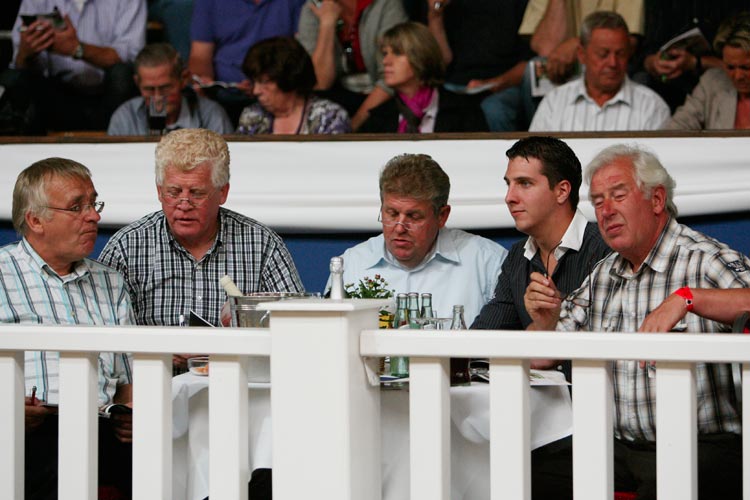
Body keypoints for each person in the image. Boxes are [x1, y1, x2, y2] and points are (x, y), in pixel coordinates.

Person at [525, 144, 750, 500]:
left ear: (657, 199)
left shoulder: (704, 260)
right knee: (526, 475)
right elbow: (541, 357)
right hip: (619, 447)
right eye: (598, 202)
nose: (606, 211)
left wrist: (687, 298)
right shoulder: (603, 274)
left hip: (703, 445)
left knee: (668, 487)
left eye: (618, 196)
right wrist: (544, 322)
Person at [0, 157, 134, 498]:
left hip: (102, 428)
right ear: (35, 220)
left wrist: (134, 413)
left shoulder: (111, 283)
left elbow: (129, 380)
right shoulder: (2, 273)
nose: (94, 216)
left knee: (171, 457)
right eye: (77, 207)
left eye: (93, 204)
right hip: (26, 431)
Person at [98, 128, 304, 343]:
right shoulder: (126, 248)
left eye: (197, 193)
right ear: (159, 191)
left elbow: (298, 327)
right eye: (174, 192)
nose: (184, 204)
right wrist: (163, 349)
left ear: (223, 192)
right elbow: (102, 337)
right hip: (155, 364)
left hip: (237, 363)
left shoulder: (261, 245)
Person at [330, 153, 508, 323]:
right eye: (392, 214)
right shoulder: (351, 265)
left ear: (442, 216)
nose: (399, 228)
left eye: (413, 217)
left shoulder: (487, 263)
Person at [3, 0, 145, 133]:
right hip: (56, 94)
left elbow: (133, 57)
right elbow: (18, 64)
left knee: (122, 74)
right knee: (15, 77)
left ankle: (119, 139)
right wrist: (26, 52)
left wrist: (77, 49)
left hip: (109, 95)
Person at [529, 10, 670, 132]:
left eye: (620, 54)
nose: (613, 63)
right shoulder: (554, 103)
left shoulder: (652, 107)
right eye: (603, 54)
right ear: (582, 55)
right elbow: (534, 154)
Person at [188, 0, 307, 125]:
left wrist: (263, 83)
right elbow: (200, 56)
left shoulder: (294, 2)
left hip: (278, 91)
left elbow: (301, 55)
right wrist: (204, 82)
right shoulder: (208, 3)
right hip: (222, 98)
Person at [296, 0, 408, 130]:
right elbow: (321, 83)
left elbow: (391, 78)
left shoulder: (386, 4)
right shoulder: (314, 7)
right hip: (339, 95)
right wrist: (327, 24)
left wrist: (353, 125)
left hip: (384, 97)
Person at [358, 22, 487, 133]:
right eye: (385, 53)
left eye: (397, 53)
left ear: (421, 55)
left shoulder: (465, 111)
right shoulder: (377, 118)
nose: (386, 61)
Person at [425, 0, 532, 131]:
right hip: (453, 85)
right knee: (436, 108)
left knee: (494, 109)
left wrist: (494, 83)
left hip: (507, 83)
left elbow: (531, 63)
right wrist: (435, 15)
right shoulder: (443, 5)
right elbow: (439, 61)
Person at [108, 43, 233, 136]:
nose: (157, 97)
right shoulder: (125, 117)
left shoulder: (211, 116)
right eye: (149, 89)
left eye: (165, 88)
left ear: (183, 79)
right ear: (137, 83)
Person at [237, 36, 351, 135]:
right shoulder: (252, 116)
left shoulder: (329, 117)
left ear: (288, 79)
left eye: (264, 82)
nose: (256, 91)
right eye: (254, 82)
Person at [664, 12, 750, 130]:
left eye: (746, 67)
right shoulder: (711, 83)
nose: (738, 76)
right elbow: (676, 128)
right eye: (730, 67)